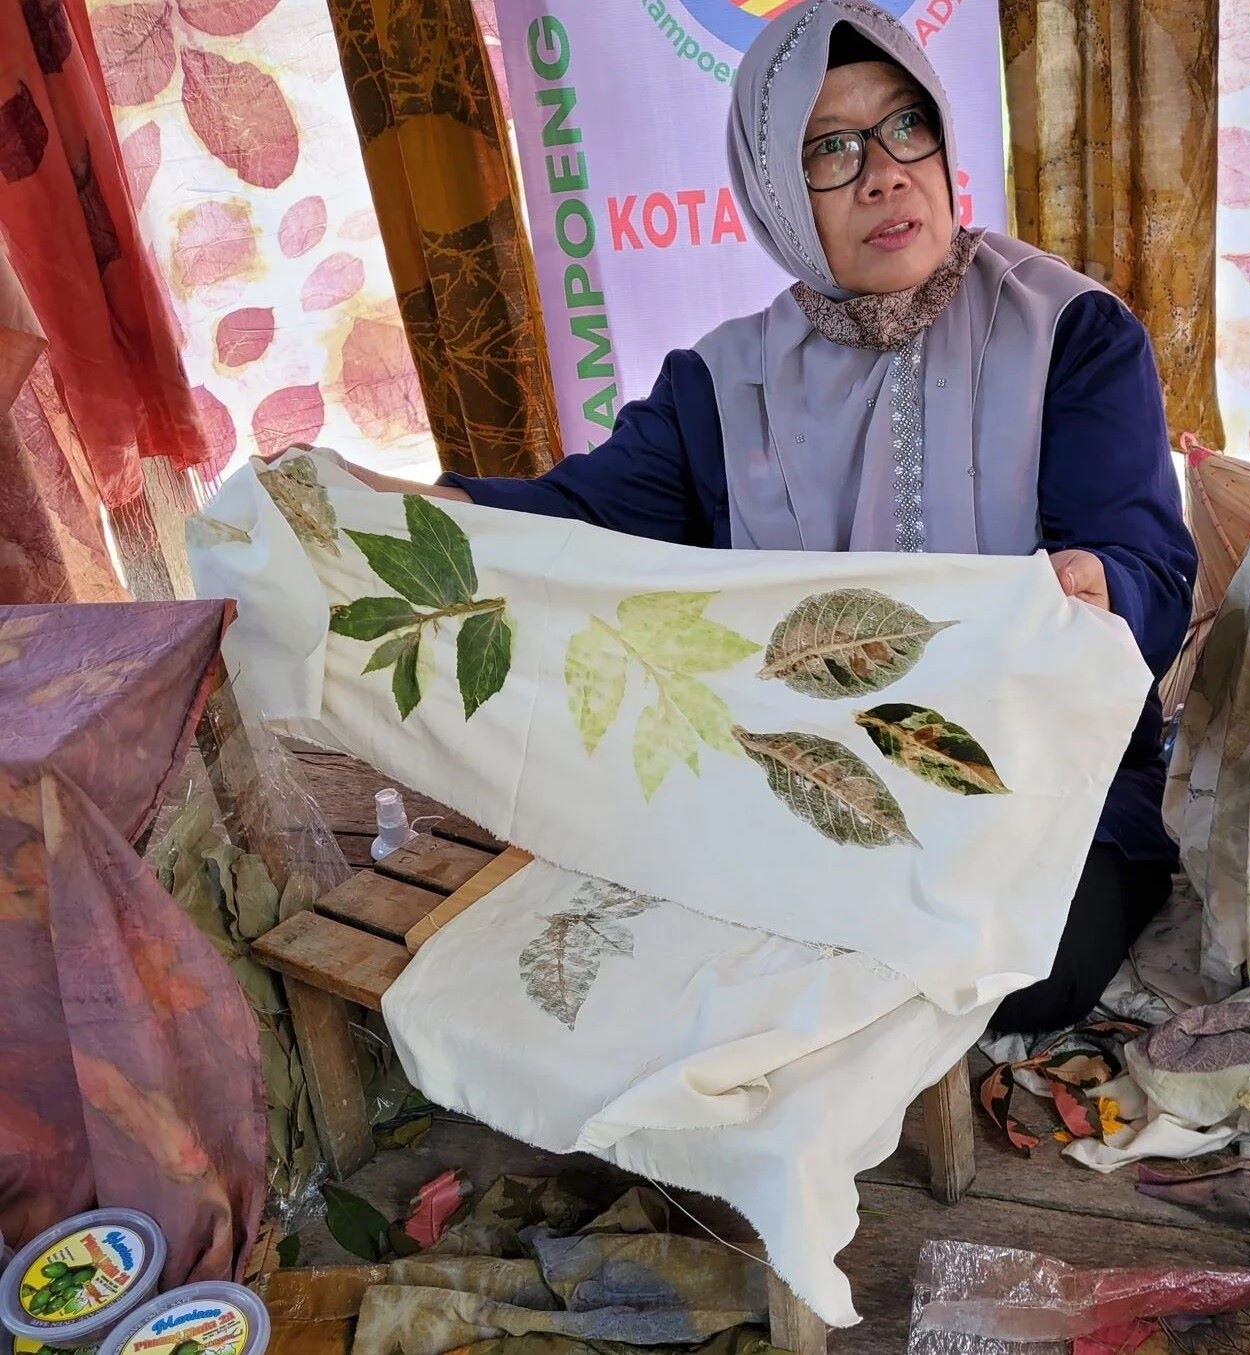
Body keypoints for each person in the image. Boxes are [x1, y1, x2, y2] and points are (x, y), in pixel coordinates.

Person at [311, 0, 1196, 1034]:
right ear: (775, 185)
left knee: (1022, 970)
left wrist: (1095, 585)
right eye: (831, 149)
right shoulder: (724, 385)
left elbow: (1147, 565)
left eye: (906, 126)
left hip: (1042, 783)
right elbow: (566, 520)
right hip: (805, 780)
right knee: (698, 934)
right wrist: (370, 503)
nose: (884, 174)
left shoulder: (1070, 334)